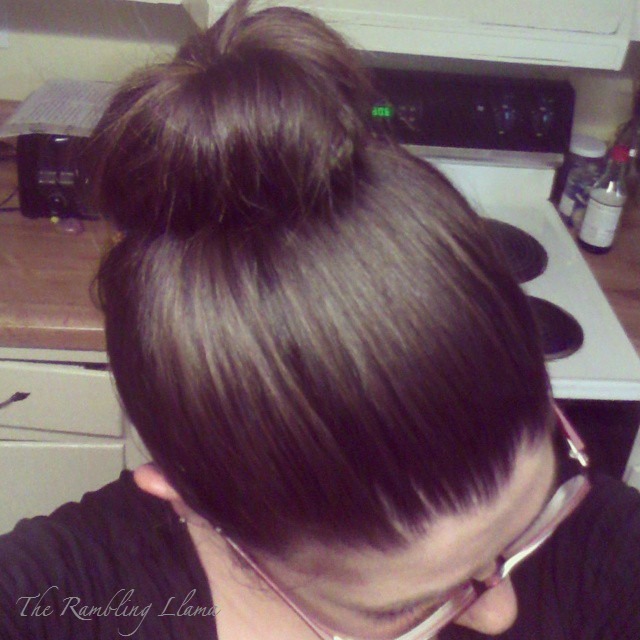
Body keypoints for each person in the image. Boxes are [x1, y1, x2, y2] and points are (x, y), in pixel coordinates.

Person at [2, 1, 640, 639]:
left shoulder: (610, 554)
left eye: (532, 523)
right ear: (188, 501)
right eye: (407, 609)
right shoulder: (74, 599)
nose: (502, 616)